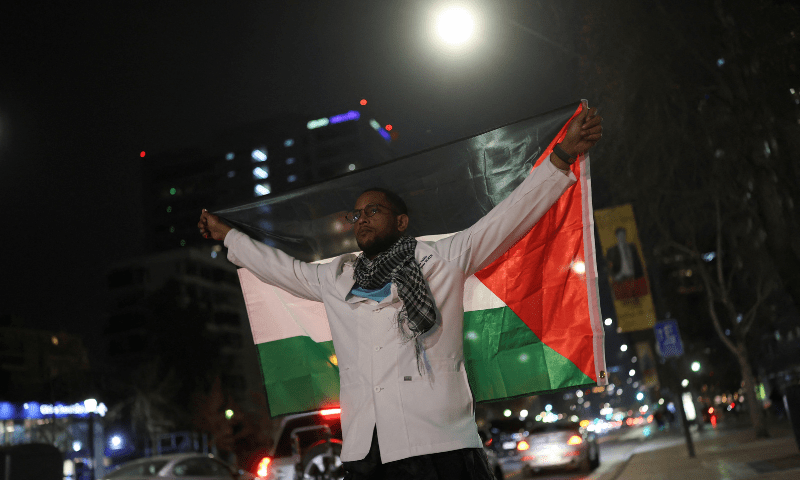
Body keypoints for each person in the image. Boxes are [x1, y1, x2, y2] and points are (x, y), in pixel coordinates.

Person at [198, 106, 602, 480]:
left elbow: (508, 218)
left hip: (440, 442)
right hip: (367, 448)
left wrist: (560, 159)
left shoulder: (443, 257)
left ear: (402, 221)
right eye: (357, 214)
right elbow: (279, 268)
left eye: (373, 210)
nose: (362, 220)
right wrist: (229, 235)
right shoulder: (334, 277)